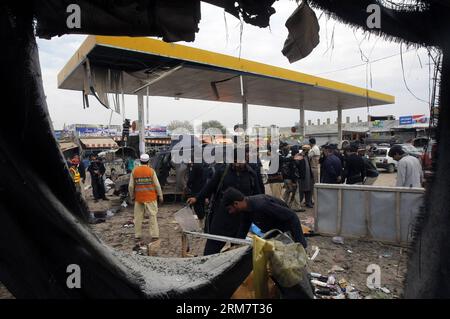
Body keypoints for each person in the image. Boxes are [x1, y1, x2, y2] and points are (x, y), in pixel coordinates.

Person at [186, 148, 263, 255]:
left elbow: (258, 195)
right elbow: (209, 187)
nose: (238, 164)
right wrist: (197, 198)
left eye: (241, 161)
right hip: (222, 216)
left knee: (237, 251)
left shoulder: (252, 175)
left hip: (242, 219)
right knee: (211, 250)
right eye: (235, 161)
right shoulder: (223, 171)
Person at [222, 187, 307, 248]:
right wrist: (234, 247)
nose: (230, 212)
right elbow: (243, 230)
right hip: (276, 234)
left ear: (236, 203)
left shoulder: (262, 205)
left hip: (287, 232)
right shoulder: (246, 210)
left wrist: (300, 243)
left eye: (230, 209)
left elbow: (292, 216)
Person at [128, 153, 163, 243]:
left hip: (139, 198)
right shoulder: (151, 171)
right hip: (151, 198)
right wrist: (160, 196)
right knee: (153, 216)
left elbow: (131, 186)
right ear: (148, 161)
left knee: (138, 217)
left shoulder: (134, 171)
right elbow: (157, 185)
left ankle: (137, 235)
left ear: (140, 161)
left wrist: (132, 196)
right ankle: (154, 235)